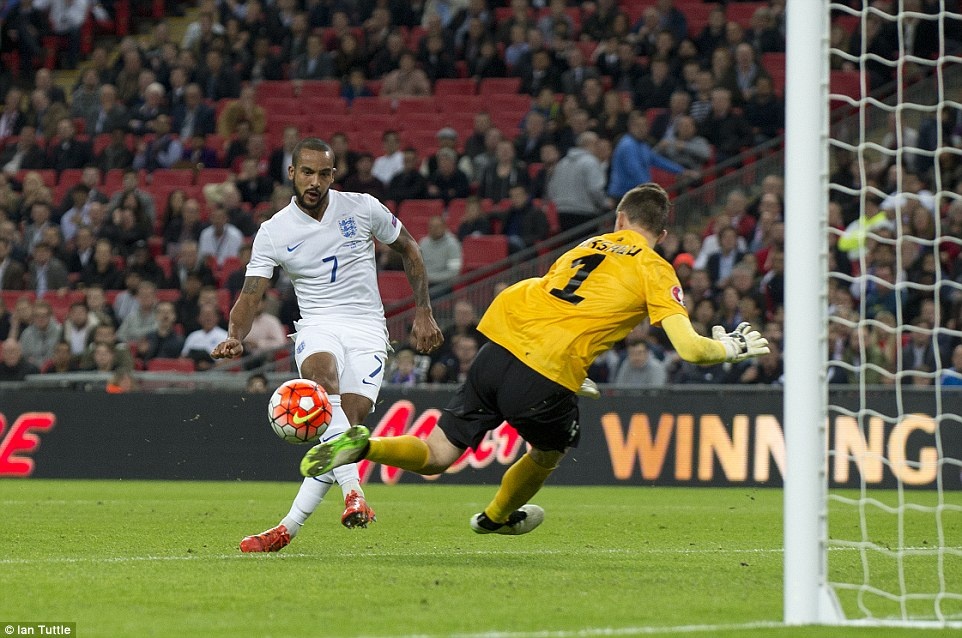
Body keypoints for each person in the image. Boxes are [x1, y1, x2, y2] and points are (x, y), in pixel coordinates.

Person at [300, 183, 769, 536]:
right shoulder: (655, 267)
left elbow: (562, 306)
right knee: (548, 452)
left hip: (498, 349)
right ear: (661, 234)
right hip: (545, 374)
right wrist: (732, 347)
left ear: (619, 218)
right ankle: (496, 517)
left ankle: (364, 447)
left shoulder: (585, 246)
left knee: (437, 453)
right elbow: (691, 348)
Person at [210, 137, 443, 552]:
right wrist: (234, 335)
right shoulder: (274, 231)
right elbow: (250, 294)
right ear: (292, 173)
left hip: (368, 329)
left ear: (333, 175)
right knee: (322, 381)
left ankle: (287, 528)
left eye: (323, 173)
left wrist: (423, 311)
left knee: (345, 429)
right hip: (318, 325)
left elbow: (409, 248)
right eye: (307, 172)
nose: (314, 182)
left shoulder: (362, 207)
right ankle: (354, 494)